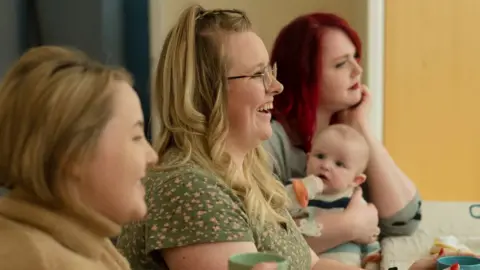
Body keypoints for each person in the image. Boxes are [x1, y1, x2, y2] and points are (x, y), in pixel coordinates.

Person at [116, 4, 385, 270]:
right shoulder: (189, 187)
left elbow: (312, 266)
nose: (276, 86)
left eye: (271, 71)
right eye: (259, 74)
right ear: (209, 93)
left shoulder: (252, 176)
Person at [264, 12, 422, 254]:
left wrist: (361, 126)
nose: (357, 70)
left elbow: (405, 220)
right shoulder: (271, 140)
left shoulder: (348, 136)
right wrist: (351, 225)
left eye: (355, 58)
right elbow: (266, 236)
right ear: (304, 76)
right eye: (341, 64)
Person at [0, 46, 158, 269]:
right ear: (72, 152)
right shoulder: (33, 260)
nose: (153, 156)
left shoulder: (90, 244)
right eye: (136, 136)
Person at [288, 124, 381, 269]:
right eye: (320, 156)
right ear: (308, 159)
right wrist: (302, 190)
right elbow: (277, 215)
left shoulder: (355, 203)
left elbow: (370, 239)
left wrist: (371, 262)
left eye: (339, 164)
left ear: (356, 180)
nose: (325, 165)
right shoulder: (295, 189)